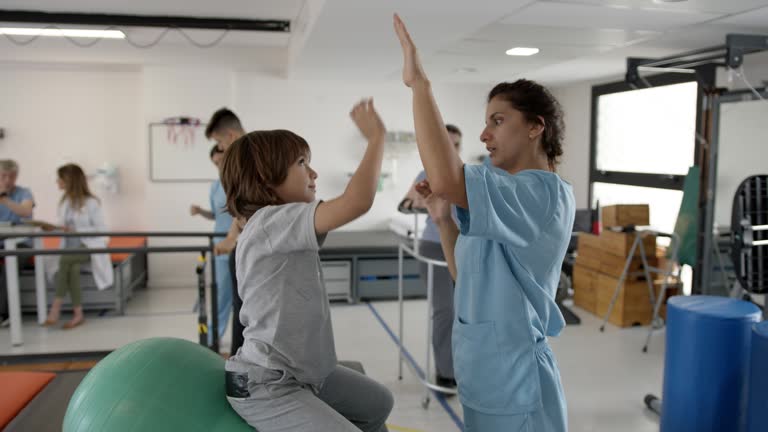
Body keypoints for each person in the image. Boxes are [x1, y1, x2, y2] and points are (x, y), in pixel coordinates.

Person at [394, 14, 575, 432]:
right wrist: (443, 222)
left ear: (535, 127)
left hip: (519, 387)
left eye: (498, 120)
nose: (484, 134)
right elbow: (467, 277)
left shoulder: (543, 193)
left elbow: (445, 177)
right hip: (484, 379)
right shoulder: (504, 195)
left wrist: (420, 85)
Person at [220, 99, 393, 431]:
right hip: (266, 385)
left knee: (378, 404)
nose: (313, 173)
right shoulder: (270, 222)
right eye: (302, 163)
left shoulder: (279, 225)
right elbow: (357, 201)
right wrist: (376, 138)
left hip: (307, 372)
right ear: (265, 178)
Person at [400, 124, 462, 392]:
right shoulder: (426, 174)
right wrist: (420, 202)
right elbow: (403, 205)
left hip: (464, 248)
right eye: (446, 143)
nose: (452, 148)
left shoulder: (467, 173)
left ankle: (465, 366)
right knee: (445, 311)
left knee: (467, 313)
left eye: (456, 144)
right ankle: (446, 372)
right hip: (434, 247)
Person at [43, 164, 113, 329]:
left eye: (60, 178)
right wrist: (53, 227)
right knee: (72, 268)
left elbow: (102, 231)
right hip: (69, 246)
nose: (57, 182)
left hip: (89, 245)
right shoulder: (64, 202)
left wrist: (76, 230)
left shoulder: (91, 202)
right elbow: (62, 224)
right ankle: (78, 314)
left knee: (65, 261)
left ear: (69, 180)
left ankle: (55, 307)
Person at [204, 108, 246, 353]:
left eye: (219, 142)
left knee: (245, 310)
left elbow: (247, 205)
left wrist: (231, 237)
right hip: (240, 244)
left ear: (230, 135)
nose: (220, 149)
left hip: (257, 246)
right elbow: (242, 206)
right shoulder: (242, 161)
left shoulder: (251, 158)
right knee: (240, 308)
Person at [190, 144, 233, 343]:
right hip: (219, 245)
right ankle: (213, 338)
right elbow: (216, 215)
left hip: (239, 244)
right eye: (216, 163)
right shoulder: (216, 186)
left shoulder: (242, 182)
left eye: (222, 161)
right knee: (221, 296)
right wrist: (200, 211)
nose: (219, 165)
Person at [0, 159, 36, 325]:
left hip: (22, 242)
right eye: (3, 176)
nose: (7, 180)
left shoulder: (24, 193)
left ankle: (4, 313)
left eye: (11, 176)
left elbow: (26, 211)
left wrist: (4, 198)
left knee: (10, 264)